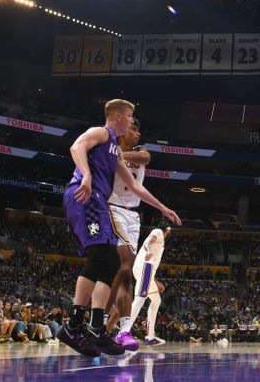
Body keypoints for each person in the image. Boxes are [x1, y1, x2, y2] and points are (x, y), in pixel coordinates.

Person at [57, 99, 181, 358]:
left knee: (111, 260)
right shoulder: (101, 133)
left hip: (98, 202)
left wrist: (162, 208)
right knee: (102, 256)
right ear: (116, 116)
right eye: (129, 116)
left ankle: (95, 327)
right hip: (85, 196)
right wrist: (86, 175)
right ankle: (74, 325)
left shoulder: (114, 148)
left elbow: (136, 187)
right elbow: (76, 146)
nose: (132, 121)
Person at [106, 119, 176, 351]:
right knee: (128, 281)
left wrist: (119, 154)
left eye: (139, 129)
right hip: (114, 209)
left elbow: (145, 158)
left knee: (150, 297)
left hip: (132, 217)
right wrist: (148, 267)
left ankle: (119, 329)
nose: (137, 133)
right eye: (134, 129)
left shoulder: (138, 151)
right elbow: (149, 250)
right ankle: (119, 328)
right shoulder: (158, 232)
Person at [119, 221, 172, 346]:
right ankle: (124, 331)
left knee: (156, 300)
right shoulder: (158, 231)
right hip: (145, 266)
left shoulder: (160, 239)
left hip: (147, 270)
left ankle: (150, 336)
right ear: (167, 229)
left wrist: (155, 281)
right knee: (140, 298)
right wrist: (148, 251)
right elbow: (148, 242)